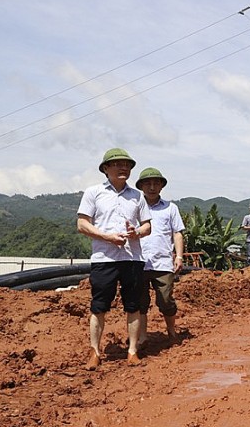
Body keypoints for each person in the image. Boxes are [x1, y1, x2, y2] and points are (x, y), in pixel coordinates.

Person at [77, 148, 152, 370]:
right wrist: (108, 237)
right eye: (118, 164)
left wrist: (136, 232)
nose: (124, 168)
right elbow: (82, 224)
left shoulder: (137, 196)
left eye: (127, 165)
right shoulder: (93, 192)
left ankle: (132, 351)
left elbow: (147, 226)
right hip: (104, 258)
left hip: (133, 258)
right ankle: (95, 351)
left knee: (133, 305)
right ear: (106, 169)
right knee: (99, 306)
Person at [134, 167, 185, 347]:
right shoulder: (134, 207)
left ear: (162, 186)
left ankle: (171, 331)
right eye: (148, 183)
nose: (152, 187)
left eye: (156, 183)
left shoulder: (170, 208)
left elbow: (177, 233)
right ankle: (142, 337)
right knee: (140, 302)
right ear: (141, 186)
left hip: (162, 262)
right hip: (138, 261)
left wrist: (178, 256)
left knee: (165, 300)